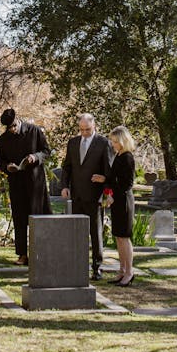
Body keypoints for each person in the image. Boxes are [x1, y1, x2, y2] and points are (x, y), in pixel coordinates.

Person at [0, 108, 52, 265]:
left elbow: (46, 151)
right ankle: (22, 254)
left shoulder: (34, 131)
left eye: (13, 126)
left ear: (17, 120)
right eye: (9, 128)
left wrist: (35, 157)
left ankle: (41, 252)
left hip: (36, 183)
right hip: (17, 183)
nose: (12, 130)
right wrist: (7, 167)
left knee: (38, 217)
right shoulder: (4, 139)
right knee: (19, 219)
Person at [60, 113, 113, 280]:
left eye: (87, 129)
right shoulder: (73, 143)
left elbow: (108, 171)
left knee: (95, 233)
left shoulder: (103, 143)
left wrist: (107, 193)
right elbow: (67, 167)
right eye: (81, 129)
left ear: (94, 126)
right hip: (76, 195)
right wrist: (64, 186)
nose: (84, 133)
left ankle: (97, 267)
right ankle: (78, 264)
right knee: (77, 232)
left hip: (94, 195)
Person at [93, 125, 136, 286]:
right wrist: (104, 181)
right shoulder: (119, 155)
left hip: (124, 201)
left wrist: (113, 196)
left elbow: (126, 184)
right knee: (118, 236)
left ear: (123, 141)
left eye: (115, 141)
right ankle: (122, 270)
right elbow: (113, 178)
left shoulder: (128, 157)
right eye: (112, 141)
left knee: (124, 238)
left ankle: (129, 271)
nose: (113, 144)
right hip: (117, 200)